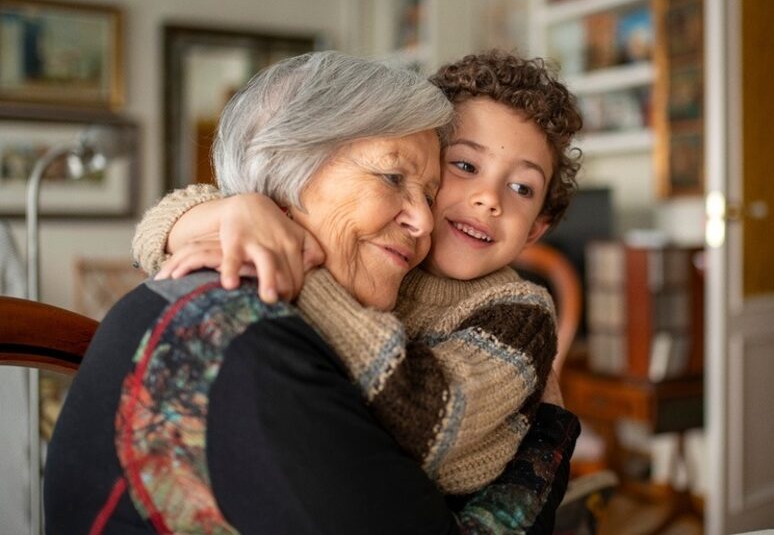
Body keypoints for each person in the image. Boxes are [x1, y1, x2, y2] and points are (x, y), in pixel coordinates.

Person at [44, 52, 579, 534]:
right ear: (290, 171)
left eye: (428, 190)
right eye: (395, 177)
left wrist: (292, 259)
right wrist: (227, 215)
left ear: (538, 228)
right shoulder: (253, 340)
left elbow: (426, 420)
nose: (423, 218)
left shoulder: (512, 310)